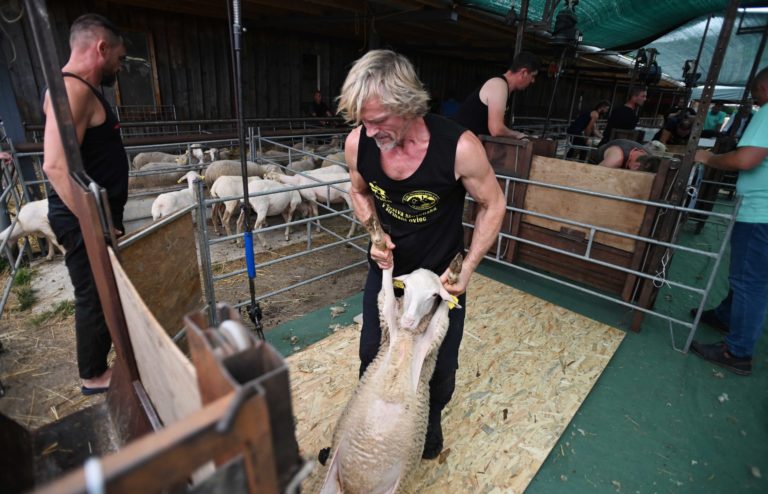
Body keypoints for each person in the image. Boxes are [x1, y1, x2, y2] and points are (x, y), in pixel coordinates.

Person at [337, 50, 505, 459]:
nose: (369, 129)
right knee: (372, 356)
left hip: (441, 279)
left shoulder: (459, 147)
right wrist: (375, 233)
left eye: (378, 120)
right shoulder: (359, 143)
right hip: (388, 273)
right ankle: (364, 437)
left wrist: (466, 270)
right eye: (363, 120)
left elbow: (493, 204)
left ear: (408, 105)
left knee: (440, 370)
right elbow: (358, 192)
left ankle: (427, 431)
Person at [42, 14, 128, 395]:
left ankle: (103, 363)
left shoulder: (78, 90)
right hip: (81, 218)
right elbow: (56, 165)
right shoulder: (71, 90)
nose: (119, 67)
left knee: (103, 288)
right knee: (92, 292)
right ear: (101, 49)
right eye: (120, 59)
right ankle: (92, 375)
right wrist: (97, 224)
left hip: (93, 214)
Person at [690, 67, 768, 376]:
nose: (754, 98)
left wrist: (708, 159)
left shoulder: (767, 113)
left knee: (750, 281)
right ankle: (726, 315)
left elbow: (745, 159)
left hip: (761, 213)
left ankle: (737, 352)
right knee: (751, 275)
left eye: (756, 91)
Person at [456, 51, 539, 139]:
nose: (533, 81)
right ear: (524, 73)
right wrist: (518, 135)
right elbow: (496, 130)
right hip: (459, 145)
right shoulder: (498, 85)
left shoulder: (506, 90)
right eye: (533, 76)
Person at [596, 139, 665, 171]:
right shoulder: (615, 159)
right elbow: (594, 175)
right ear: (636, 166)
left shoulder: (651, 158)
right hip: (599, 157)